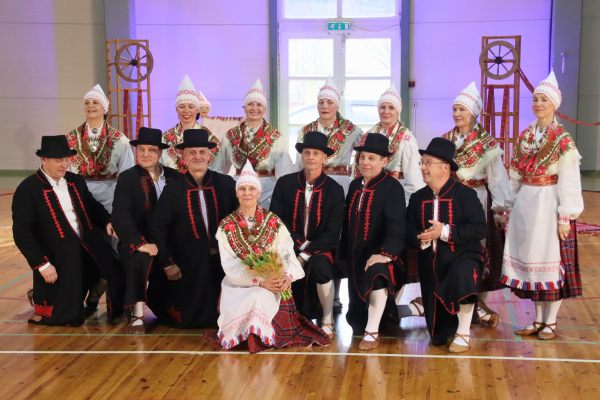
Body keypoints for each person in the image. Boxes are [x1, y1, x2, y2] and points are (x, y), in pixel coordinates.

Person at [205, 161, 331, 353]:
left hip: (273, 282)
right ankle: (251, 337)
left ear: (259, 193)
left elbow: (288, 253)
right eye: (243, 189)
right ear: (237, 193)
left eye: (252, 189)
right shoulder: (226, 225)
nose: (247, 193)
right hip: (239, 283)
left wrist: (287, 276)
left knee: (260, 296)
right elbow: (229, 263)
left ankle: (262, 338)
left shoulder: (274, 222)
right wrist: (258, 281)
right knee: (255, 295)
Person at [412, 82, 510, 327]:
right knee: (446, 248)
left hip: (476, 197)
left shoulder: (486, 143)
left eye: (462, 110)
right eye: (455, 109)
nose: (457, 114)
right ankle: (447, 300)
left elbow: (497, 177)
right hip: (448, 199)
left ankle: (473, 303)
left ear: (473, 113)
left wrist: (499, 210)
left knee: (474, 251)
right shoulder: (446, 140)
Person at [502, 71, 583, 340]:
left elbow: (569, 179)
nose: (538, 104)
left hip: (549, 203)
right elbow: (515, 175)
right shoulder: (525, 137)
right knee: (531, 261)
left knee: (550, 260)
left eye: (544, 100)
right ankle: (537, 319)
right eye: (535, 99)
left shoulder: (562, 140)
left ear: (554, 104)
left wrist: (565, 216)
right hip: (526, 203)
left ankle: (551, 321)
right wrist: (509, 206)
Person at [13, 136, 125, 326]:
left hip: (88, 243)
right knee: (66, 313)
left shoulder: (75, 181)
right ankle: (45, 298)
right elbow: (22, 233)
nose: (64, 165)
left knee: (115, 269)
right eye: (59, 160)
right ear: (43, 159)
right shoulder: (28, 189)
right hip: (56, 252)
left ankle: (94, 300)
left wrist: (108, 221)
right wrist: (42, 265)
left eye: (67, 159)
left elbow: (92, 206)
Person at [149, 129, 238, 328]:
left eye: (202, 152)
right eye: (192, 152)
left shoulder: (225, 183)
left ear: (209, 155)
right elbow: (157, 228)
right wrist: (167, 263)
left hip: (223, 261)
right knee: (189, 318)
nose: (198, 156)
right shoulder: (173, 189)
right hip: (187, 264)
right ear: (185, 156)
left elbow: (241, 218)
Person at [406, 138, 488, 353]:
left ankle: (463, 333)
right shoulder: (417, 198)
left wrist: (444, 232)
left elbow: (479, 229)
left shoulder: (466, 195)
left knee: (463, 273)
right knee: (438, 336)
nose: (423, 167)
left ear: (445, 167)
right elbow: (407, 229)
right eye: (422, 163)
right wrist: (421, 237)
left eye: (428, 163)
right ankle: (470, 317)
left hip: (465, 256)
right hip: (431, 263)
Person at [352, 82, 425, 318]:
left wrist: (406, 209)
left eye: (391, 108)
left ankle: (391, 306)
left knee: (394, 253)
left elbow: (413, 180)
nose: (386, 112)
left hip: (396, 200)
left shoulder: (406, 138)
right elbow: (358, 169)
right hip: (370, 202)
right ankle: (369, 303)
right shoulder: (369, 134)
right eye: (382, 107)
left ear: (398, 111)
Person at [295, 77, 365, 313]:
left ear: (337, 105)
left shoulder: (352, 130)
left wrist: (357, 179)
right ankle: (310, 291)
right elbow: (298, 164)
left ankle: (334, 295)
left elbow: (363, 154)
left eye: (329, 102)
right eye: (321, 102)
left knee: (338, 237)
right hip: (312, 184)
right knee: (315, 232)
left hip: (341, 185)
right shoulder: (306, 131)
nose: (325, 106)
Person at [270, 131, 345, 339]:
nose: (311, 157)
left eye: (316, 153)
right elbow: (276, 220)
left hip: (322, 249)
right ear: (302, 156)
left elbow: (333, 232)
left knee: (321, 266)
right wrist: (300, 245)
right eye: (307, 152)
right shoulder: (285, 183)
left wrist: (305, 254)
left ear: (325, 157)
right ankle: (284, 316)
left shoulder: (335, 190)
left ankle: (327, 319)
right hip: (289, 246)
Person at [112, 127, 182, 334]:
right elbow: (120, 216)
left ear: (160, 152)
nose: (145, 154)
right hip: (138, 240)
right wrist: (140, 243)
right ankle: (137, 314)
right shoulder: (127, 178)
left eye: (151, 150)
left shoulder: (175, 177)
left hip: (168, 242)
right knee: (140, 259)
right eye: (141, 149)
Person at [341, 134, 406, 351]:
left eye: (371, 158)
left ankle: (373, 332)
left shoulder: (392, 187)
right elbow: (347, 223)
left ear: (384, 161)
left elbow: (397, 227)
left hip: (381, 253)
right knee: (356, 320)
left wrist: (386, 254)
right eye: (362, 157)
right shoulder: (354, 186)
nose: (365, 162)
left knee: (377, 272)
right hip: (355, 254)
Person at [222, 79, 293, 209]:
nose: (254, 108)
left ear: (265, 109)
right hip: (239, 188)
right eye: (250, 104)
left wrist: (286, 197)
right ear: (244, 107)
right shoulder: (230, 135)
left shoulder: (276, 137)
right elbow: (221, 169)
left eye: (259, 105)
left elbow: (285, 172)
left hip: (266, 190)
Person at [66, 84, 135, 213]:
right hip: (79, 195)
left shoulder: (119, 139)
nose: (90, 106)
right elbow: (66, 170)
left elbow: (127, 172)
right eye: (87, 103)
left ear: (105, 109)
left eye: (95, 102)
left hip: (109, 196)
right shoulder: (71, 138)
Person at [162, 75, 223, 173]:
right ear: (176, 109)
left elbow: (217, 170)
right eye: (181, 107)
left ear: (198, 109)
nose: (186, 111)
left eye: (191, 107)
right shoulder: (165, 138)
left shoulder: (210, 138)